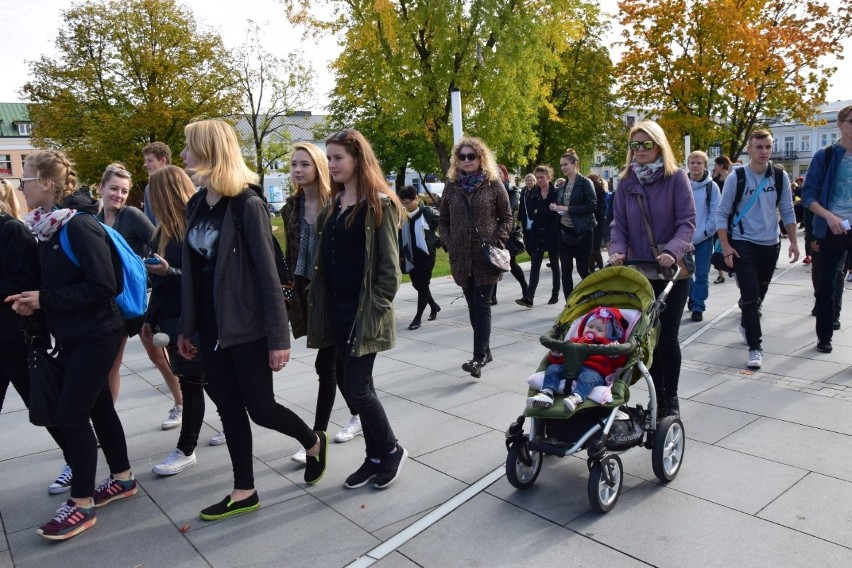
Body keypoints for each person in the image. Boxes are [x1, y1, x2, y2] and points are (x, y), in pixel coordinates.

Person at [177, 119, 327, 521]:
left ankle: (312, 441)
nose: (183, 155)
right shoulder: (195, 204)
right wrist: (186, 327)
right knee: (227, 408)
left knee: (260, 408)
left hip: (247, 327)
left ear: (209, 152)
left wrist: (279, 338)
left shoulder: (247, 205)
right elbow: (192, 272)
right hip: (210, 327)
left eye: (189, 147)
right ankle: (244, 490)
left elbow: (268, 276)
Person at [8, 150, 136, 541]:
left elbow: (103, 285)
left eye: (26, 178)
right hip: (77, 334)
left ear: (46, 183)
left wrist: (45, 299)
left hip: (97, 333)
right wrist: (39, 300)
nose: (21, 185)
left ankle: (81, 503)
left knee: (72, 414)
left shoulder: (77, 226)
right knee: (97, 407)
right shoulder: (47, 227)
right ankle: (123, 479)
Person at [307, 129, 407, 490]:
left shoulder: (379, 204)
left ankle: (391, 450)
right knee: (358, 388)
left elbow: (389, 272)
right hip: (336, 309)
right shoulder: (335, 205)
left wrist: (372, 312)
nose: (331, 164)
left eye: (338, 158)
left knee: (357, 388)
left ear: (357, 159)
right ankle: (375, 455)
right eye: (329, 158)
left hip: (363, 312)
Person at [608, 120, 696, 418]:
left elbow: (687, 223)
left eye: (646, 144)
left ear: (659, 146)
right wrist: (617, 250)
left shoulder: (676, 178)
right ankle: (655, 399)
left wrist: (673, 250)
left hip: (672, 271)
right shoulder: (626, 182)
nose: (640, 150)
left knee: (667, 337)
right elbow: (618, 224)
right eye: (635, 145)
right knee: (646, 340)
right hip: (639, 272)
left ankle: (669, 399)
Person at [282, 142, 361, 464]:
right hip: (306, 294)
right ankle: (359, 415)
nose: (298, 171)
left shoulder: (337, 203)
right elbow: (291, 257)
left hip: (335, 293)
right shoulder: (291, 208)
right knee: (339, 366)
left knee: (324, 366)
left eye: (305, 164)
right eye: (294, 165)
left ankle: (315, 438)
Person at [0, 178, 72, 494]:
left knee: (42, 402)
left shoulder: (11, 231)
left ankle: (76, 459)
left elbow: (25, 281)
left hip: (18, 336)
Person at [144, 166, 213, 476]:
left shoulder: (193, 229)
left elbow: (204, 280)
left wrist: (167, 272)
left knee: (193, 382)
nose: (149, 200)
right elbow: (159, 285)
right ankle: (230, 423)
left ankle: (186, 449)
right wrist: (150, 317)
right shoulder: (162, 233)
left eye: (152, 194)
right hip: (170, 319)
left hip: (191, 320)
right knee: (202, 381)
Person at [716, 129, 799, 369]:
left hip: (770, 243)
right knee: (751, 297)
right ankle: (755, 347)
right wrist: (726, 246)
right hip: (743, 243)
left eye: (768, 147)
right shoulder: (737, 177)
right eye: (759, 147)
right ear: (750, 149)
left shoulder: (779, 176)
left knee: (759, 294)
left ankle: (746, 321)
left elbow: (787, 209)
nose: (764, 152)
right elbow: (721, 214)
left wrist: (793, 241)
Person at [438, 137, 513, 378]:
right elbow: (443, 221)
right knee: (472, 306)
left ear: (481, 158)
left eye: (472, 156)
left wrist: (497, 241)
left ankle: (478, 358)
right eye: (462, 157)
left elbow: (507, 217)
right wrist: (449, 242)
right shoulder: (452, 187)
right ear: (456, 161)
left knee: (482, 306)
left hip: (485, 257)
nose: (467, 161)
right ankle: (486, 351)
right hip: (461, 257)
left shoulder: (493, 184)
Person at [95, 164, 162, 407]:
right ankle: (108, 418)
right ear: (101, 188)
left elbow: (158, 242)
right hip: (112, 304)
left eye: (124, 191)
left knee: (158, 356)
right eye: (114, 188)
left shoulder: (131, 216)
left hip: (136, 299)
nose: (119, 195)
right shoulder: (95, 221)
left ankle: (181, 402)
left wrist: (143, 269)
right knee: (113, 362)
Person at [802, 104, 852, 354]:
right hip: (833, 228)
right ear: (841, 124)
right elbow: (808, 195)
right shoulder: (826, 155)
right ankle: (824, 335)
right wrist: (829, 217)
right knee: (827, 284)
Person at [526, 306, 628, 411]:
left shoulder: (608, 346)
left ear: (609, 335)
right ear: (583, 327)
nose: (593, 330)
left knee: (589, 377)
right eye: (590, 326)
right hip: (570, 367)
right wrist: (557, 354)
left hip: (594, 372)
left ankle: (576, 397)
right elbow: (562, 360)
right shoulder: (575, 341)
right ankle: (547, 393)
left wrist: (615, 352)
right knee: (553, 369)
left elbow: (618, 363)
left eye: (599, 329)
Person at [553, 149, 596, 300]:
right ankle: (569, 305)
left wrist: (568, 209)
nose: (563, 168)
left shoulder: (585, 182)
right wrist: (556, 207)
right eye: (561, 165)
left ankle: (594, 296)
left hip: (582, 233)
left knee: (583, 269)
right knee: (565, 270)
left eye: (565, 164)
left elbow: (592, 206)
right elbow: (562, 206)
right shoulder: (563, 186)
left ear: (575, 164)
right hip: (564, 233)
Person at [516, 165, 560, 307]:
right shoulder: (532, 194)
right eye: (538, 177)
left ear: (549, 177)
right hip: (537, 232)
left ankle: (555, 294)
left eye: (542, 177)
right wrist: (547, 210)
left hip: (553, 232)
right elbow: (531, 214)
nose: (540, 180)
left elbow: (556, 213)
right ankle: (529, 297)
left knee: (554, 265)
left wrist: (541, 211)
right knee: (535, 265)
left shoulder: (556, 193)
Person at [398, 185, 441, 329]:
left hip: (427, 256)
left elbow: (446, 224)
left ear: (417, 198)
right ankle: (434, 306)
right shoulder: (404, 217)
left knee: (422, 285)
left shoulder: (428, 213)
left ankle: (417, 318)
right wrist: (400, 254)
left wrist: (438, 240)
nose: (406, 206)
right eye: (403, 203)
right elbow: (400, 237)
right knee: (417, 285)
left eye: (408, 202)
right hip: (411, 256)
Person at [686, 151, 721, 322]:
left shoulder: (711, 186)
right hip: (683, 239)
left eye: (699, 163)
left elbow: (716, 211)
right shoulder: (681, 184)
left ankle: (698, 306)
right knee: (684, 273)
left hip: (704, 238)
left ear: (705, 165)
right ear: (688, 164)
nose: (695, 166)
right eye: (692, 162)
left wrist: (706, 232)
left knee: (702, 274)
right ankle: (692, 295)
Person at [492, 164, 527, 303]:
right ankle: (492, 297)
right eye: (494, 172)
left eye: (499, 172)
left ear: (505, 174)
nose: (497, 174)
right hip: (493, 231)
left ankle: (525, 287)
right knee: (493, 263)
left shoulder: (513, 191)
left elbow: (508, 209)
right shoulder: (490, 189)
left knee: (511, 263)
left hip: (507, 232)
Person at [712, 155, 733, 284]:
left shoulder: (732, 178)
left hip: (731, 217)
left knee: (730, 241)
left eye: (716, 165)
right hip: (717, 216)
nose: (714, 168)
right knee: (717, 244)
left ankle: (731, 264)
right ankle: (721, 274)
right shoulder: (715, 181)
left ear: (721, 165)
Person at [142, 141, 171, 225]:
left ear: (162, 160)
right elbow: (149, 222)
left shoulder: (179, 182)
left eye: (149, 160)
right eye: (145, 161)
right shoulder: (149, 188)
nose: (145, 164)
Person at [588, 174, 607, 272]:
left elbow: (600, 211)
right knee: (589, 251)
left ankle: (601, 270)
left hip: (598, 224)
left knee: (594, 250)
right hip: (588, 225)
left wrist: (588, 209)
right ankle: (591, 274)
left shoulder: (600, 192)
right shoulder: (587, 193)